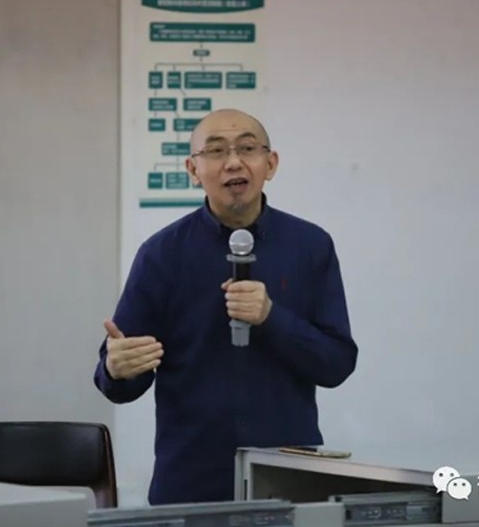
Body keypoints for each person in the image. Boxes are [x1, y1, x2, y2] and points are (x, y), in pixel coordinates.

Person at [93, 108, 358, 504]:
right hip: (191, 479)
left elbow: (337, 364)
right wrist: (116, 369)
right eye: (216, 151)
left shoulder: (311, 246)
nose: (233, 162)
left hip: (288, 477)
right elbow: (121, 380)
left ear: (271, 164)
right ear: (193, 169)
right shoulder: (162, 254)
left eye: (247, 148)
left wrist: (272, 317)